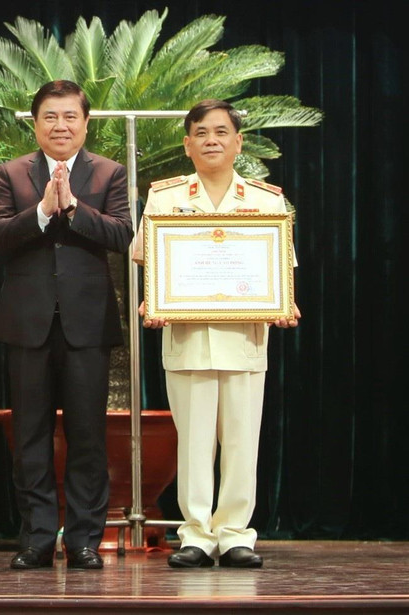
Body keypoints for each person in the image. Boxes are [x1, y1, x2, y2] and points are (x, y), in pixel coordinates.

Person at [133, 99, 300, 569]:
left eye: (222, 132)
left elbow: (282, 270)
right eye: (202, 133)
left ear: (238, 142)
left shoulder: (267, 201)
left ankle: (235, 534)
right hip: (186, 337)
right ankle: (196, 535)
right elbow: (145, 258)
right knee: (194, 440)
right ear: (187, 145)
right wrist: (154, 297)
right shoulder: (165, 198)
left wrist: (285, 303)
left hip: (245, 338)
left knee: (243, 439)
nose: (212, 140)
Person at [0, 80, 133, 570]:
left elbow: (122, 233)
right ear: (36, 122)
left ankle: (86, 540)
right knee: (29, 437)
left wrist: (74, 208)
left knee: (88, 436)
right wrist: (43, 211)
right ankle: (38, 539)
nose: (61, 125)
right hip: (27, 324)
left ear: (86, 123)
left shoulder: (109, 172)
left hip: (86, 325)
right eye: (51, 116)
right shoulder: (12, 173)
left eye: (70, 116)